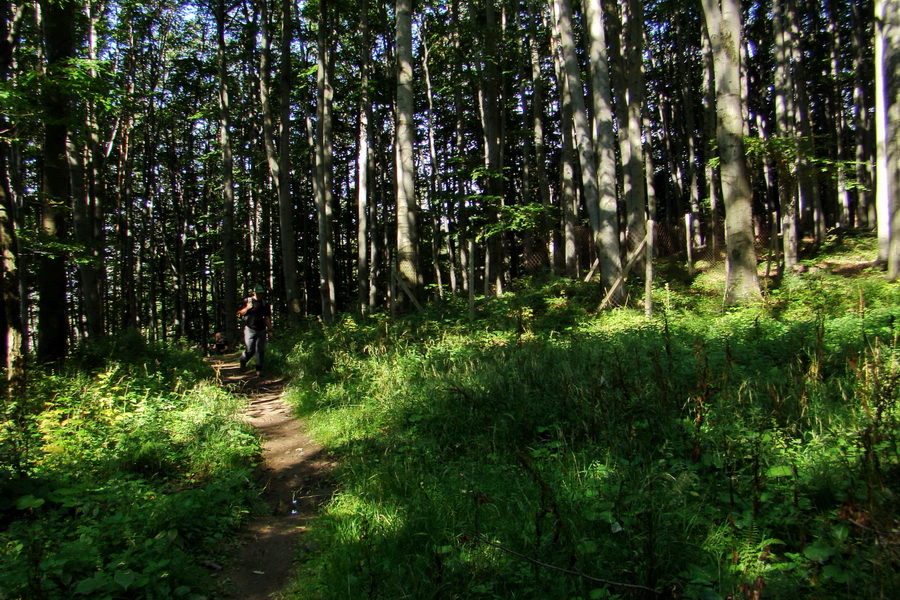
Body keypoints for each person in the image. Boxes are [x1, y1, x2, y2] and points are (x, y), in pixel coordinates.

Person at [237, 285, 272, 373]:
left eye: (261, 293)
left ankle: (259, 369)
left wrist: (270, 330)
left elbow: (267, 317)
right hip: (249, 329)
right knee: (250, 350)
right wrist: (247, 308)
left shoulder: (264, 304)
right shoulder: (248, 301)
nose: (259, 295)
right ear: (254, 293)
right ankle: (243, 360)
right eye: (258, 293)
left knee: (260, 350)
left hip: (261, 329)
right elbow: (240, 313)